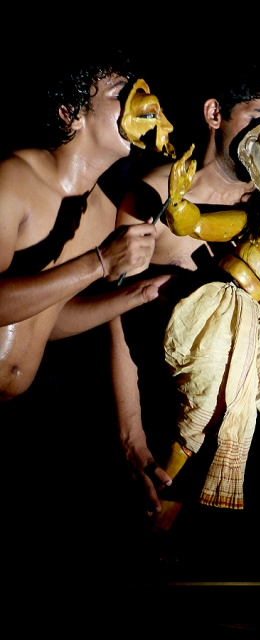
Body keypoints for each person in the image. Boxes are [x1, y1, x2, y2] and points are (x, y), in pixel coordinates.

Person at [113, 67, 260, 573]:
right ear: (215, 114)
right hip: (163, 413)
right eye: (258, 119)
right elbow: (114, 317)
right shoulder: (153, 195)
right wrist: (130, 437)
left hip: (242, 419)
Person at [0, 49, 177, 583]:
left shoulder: (102, 213)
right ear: (70, 113)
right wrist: (99, 263)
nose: (140, 101)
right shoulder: (13, 178)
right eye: (121, 93)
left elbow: (46, 319)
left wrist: (136, 294)